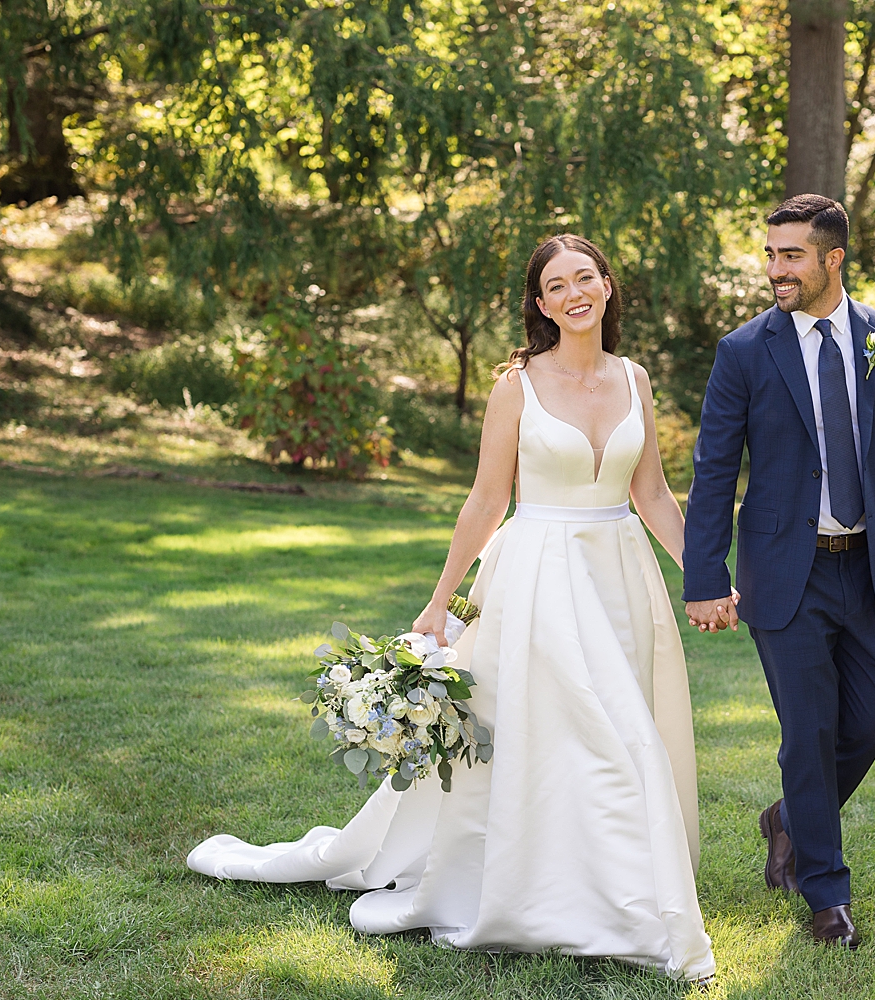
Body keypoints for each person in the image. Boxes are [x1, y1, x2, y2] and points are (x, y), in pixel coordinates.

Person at [187, 234, 717, 984]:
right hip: (537, 577)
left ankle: (603, 889)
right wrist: (441, 602)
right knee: (606, 732)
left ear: (607, 287)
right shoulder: (519, 384)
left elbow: (653, 494)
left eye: (586, 278)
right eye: (557, 285)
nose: (575, 293)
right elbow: (485, 500)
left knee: (605, 727)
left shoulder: (635, 378)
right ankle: (625, 910)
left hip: (621, 577)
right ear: (540, 305)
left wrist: (704, 577)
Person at [681, 194, 875, 949]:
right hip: (782, 572)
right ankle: (826, 896)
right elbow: (714, 469)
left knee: (874, 719)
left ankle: (788, 819)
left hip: (864, 570)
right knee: (809, 732)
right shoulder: (744, 352)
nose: (774, 269)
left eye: (790, 254)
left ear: (833, 258)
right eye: (769, 254)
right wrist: (705, 577)